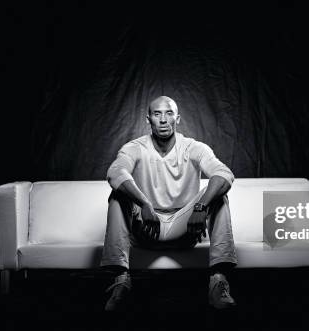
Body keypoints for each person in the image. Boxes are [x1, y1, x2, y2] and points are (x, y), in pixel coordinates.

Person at [100, 96, 238, 310]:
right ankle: (120, 281)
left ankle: (218, 281)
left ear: (178, 118)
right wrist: (144, 203)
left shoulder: (193, 147)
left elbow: (224, 174)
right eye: (157, 114)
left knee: (219, 194)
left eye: (169, 113)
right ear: (148, 119)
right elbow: (115, 172)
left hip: (184, 228)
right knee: (118, 195)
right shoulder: (135, 148)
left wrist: (201, 207)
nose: (163, 120)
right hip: (146, 228)